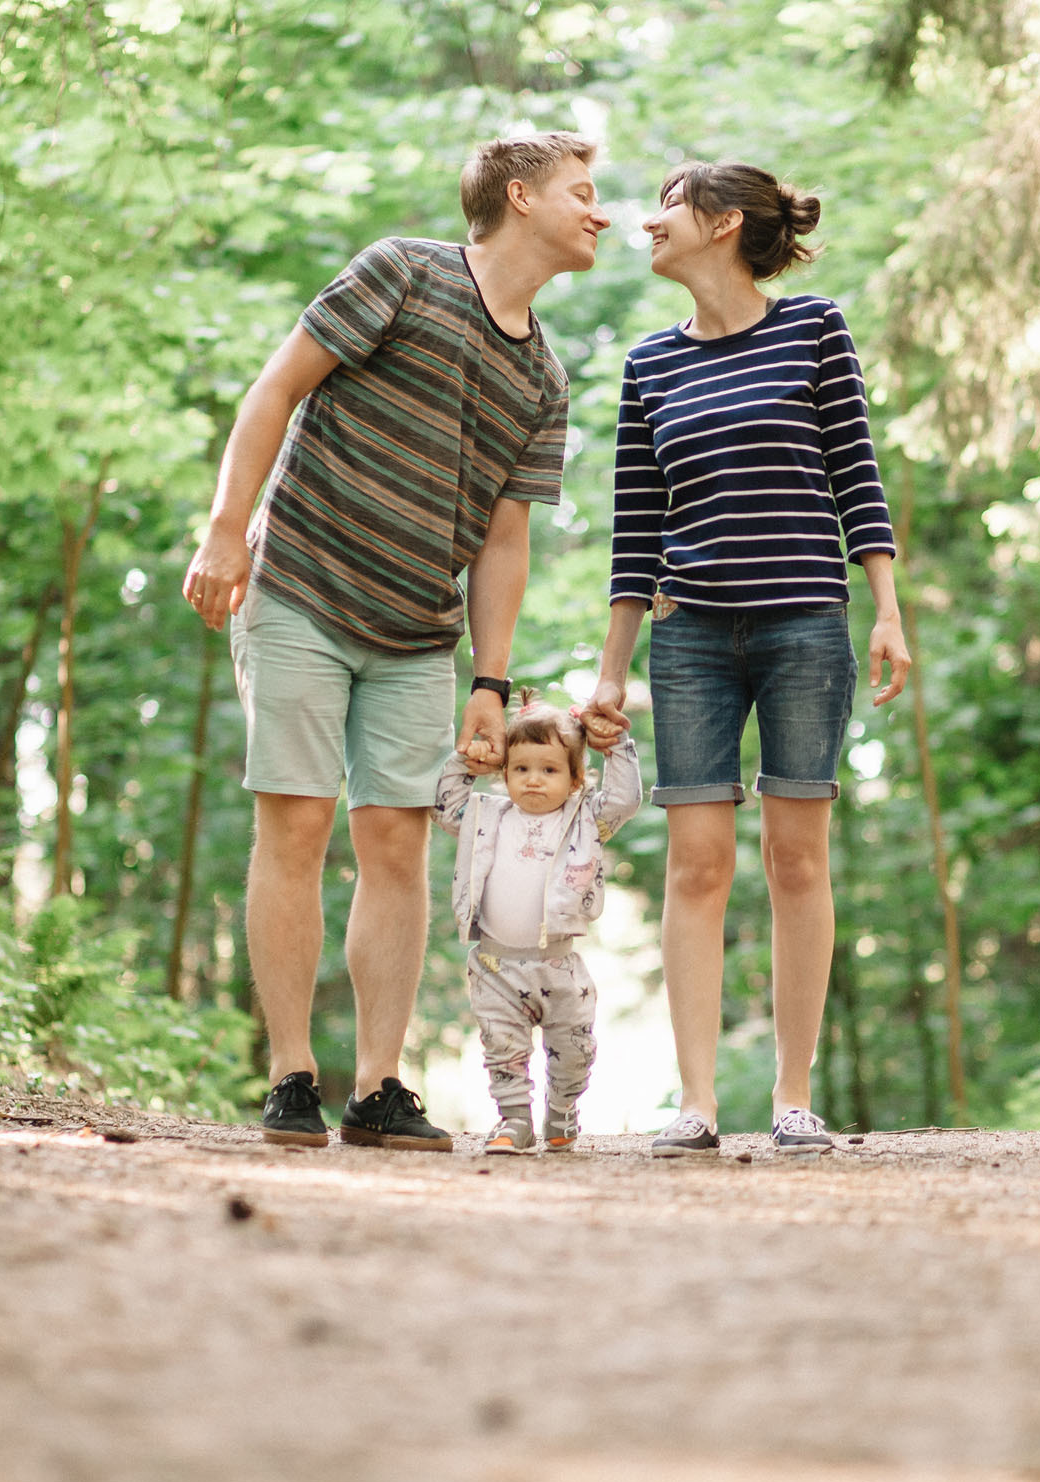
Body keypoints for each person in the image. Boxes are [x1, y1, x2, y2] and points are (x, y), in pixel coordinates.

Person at [181, 133, 610, 1152]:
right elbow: (276, 388)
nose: (599, 213)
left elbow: (508, 535)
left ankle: (378, 1085)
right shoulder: (403, 273)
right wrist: (225, 527)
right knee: (294, 823)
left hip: (418, 633)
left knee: (399, 843)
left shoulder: (546, 377)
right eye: (583, 194)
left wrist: (491, 679)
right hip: (300, 587)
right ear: (520, 196)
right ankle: (292, 1076)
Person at [580, 160, 910, 1158]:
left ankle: (795, 1096)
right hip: (691, 638)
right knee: (697, 865)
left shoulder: (815, 328)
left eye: (669, 208)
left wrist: (887, 607)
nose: (647, 222)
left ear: (723, 225)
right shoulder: (649, 364)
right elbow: (635, 528)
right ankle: (696, 1101)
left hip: (806, 621)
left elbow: (858, 471)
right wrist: (610, 667)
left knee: (797, 857)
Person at [434, 703, 643, 1155]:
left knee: (574, 1050)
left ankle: (563, 1110)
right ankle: (514, 1120)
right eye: (521, 768)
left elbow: (625, 800)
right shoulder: (486, 818)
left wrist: (616, 747)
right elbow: (444, 805)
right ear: (504, 773)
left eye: (548, 769)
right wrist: (465, 761)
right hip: (494, 964)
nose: (533, 779)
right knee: (501, 1048)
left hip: (558, 966)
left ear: (573, 780)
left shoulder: (584, 820)